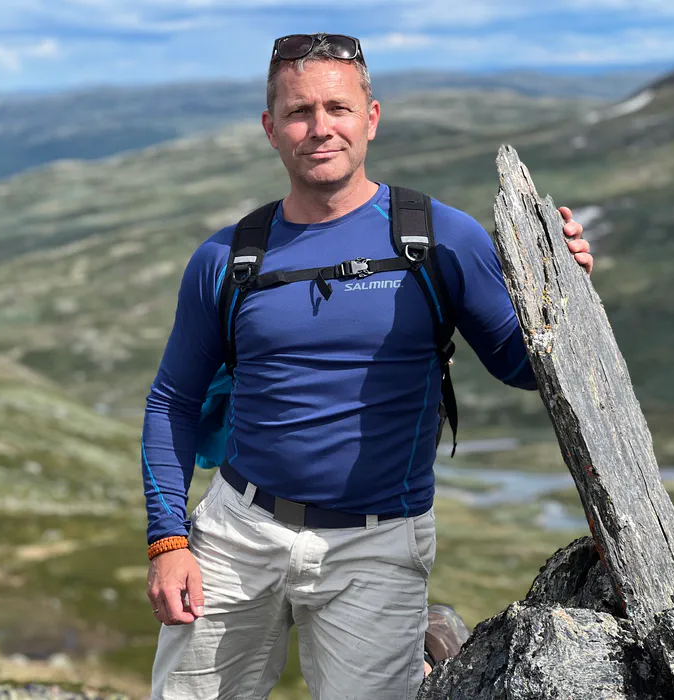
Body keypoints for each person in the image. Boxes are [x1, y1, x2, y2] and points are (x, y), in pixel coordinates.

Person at [142, 33, 593, 700]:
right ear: (271, 128)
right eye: (299, 112)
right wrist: (168, 543)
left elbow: (522, 367)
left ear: (371, 118)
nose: (320, 127)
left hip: (378, 543)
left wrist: (564, 296)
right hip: (239, 530)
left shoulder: (440, 238)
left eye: (338, 108)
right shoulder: (227, 258)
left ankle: (426, 656)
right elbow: (172, 402)